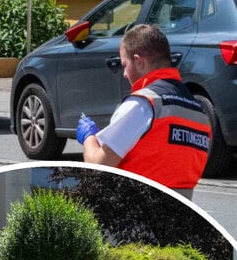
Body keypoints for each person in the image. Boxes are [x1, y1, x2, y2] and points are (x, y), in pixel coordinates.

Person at [77, 23, 210, 198]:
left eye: (125, 64)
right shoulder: (199, 113)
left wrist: (89, 137)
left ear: (139, 61)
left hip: (134, 212)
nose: (124, 73)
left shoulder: (142, 105)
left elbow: (98, 168)